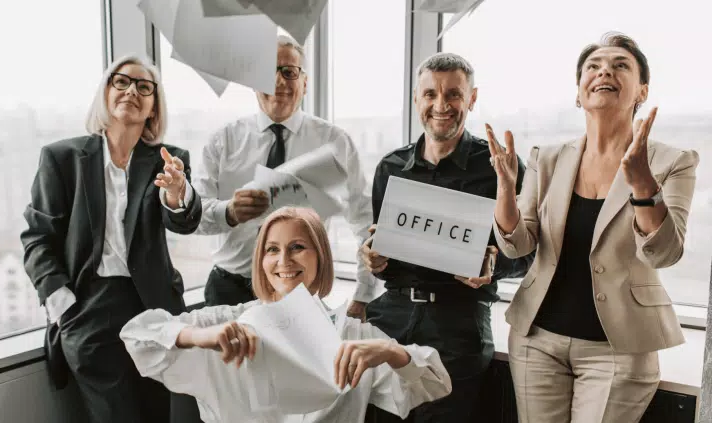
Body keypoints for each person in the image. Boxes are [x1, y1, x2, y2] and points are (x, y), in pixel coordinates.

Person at [487, 32, 699, 423]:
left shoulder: (674, 161)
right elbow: (518, 246)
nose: (605, 71)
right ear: (579, 92)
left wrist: (642, 184)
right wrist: (505, 190)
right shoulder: (546, 159)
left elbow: (665, 252)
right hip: (537, 342)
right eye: (594, 66)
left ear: (642, 90)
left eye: (621, 65)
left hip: (618, 350)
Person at [120, 207, 452, 422]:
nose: (284, 261)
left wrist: (391, 352)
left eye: (297, 247)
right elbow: (137, 336)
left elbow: (435, 384)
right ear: (261, 263)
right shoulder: (228, 323)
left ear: (320, 257)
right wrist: (199, 336)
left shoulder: (354, 337)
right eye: (272, 250)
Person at [20, 54, 201, 423]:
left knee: (155, 414)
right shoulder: (61, 158)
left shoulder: (169, 160)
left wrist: (178, 192)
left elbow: (182, 222)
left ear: (153, 106)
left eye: (144, 87)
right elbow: (37, 238)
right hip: (89, 307)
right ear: (106, 92)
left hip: (153, 307)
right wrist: (65, 308)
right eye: (121, 81)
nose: (132, 90)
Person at [359, 52, 533, 422]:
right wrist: (373, 258)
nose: (442, 105)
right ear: (417, 99)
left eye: (453, 94)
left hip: (459, 322)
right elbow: (382, 251)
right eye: (430, 94)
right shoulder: (390, 167)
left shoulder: (502, 169)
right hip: (391, 315)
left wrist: (494, 266)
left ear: (471, 98)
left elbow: (532, 255)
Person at [193, 34, 374, 316]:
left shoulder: (336, 142)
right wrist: (228, 211)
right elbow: (194, 217)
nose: (278, 82)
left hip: (300, 288)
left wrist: (363, 295)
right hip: (229, 291)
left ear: (304, 82)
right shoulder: (222, 141)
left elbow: (366, 223)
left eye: (289, 72)